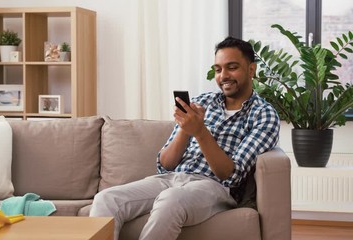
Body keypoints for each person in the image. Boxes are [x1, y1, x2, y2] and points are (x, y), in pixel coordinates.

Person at [89, 36, 280, 240]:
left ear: (251, 70)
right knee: (106, 198)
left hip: (214, 187)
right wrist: (185, 129)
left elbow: (230, 175)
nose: (223, 75)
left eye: (232, 67)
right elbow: (165, 164)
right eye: (217, 69)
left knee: (171, 199)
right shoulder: (202, 102)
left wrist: (200, 131)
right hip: (171, 179)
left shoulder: (264, 115)